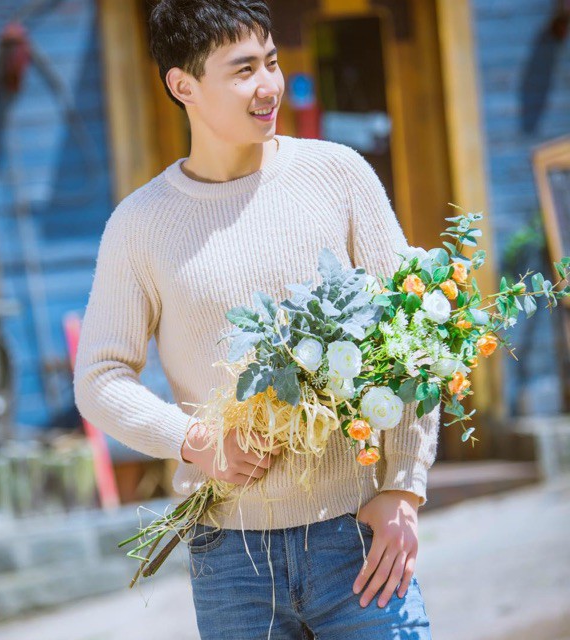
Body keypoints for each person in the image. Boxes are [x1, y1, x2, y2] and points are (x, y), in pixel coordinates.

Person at [73, 1, 440, 637]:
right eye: (243, 70)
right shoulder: (139, 225)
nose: (268, 85)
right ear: (183, 85)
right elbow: (99, 377)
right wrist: (194, 441)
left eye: (270, 62)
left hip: (356, 540)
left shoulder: (338, 176)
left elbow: (415, 332)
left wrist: (403, 489)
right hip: (230, 563)